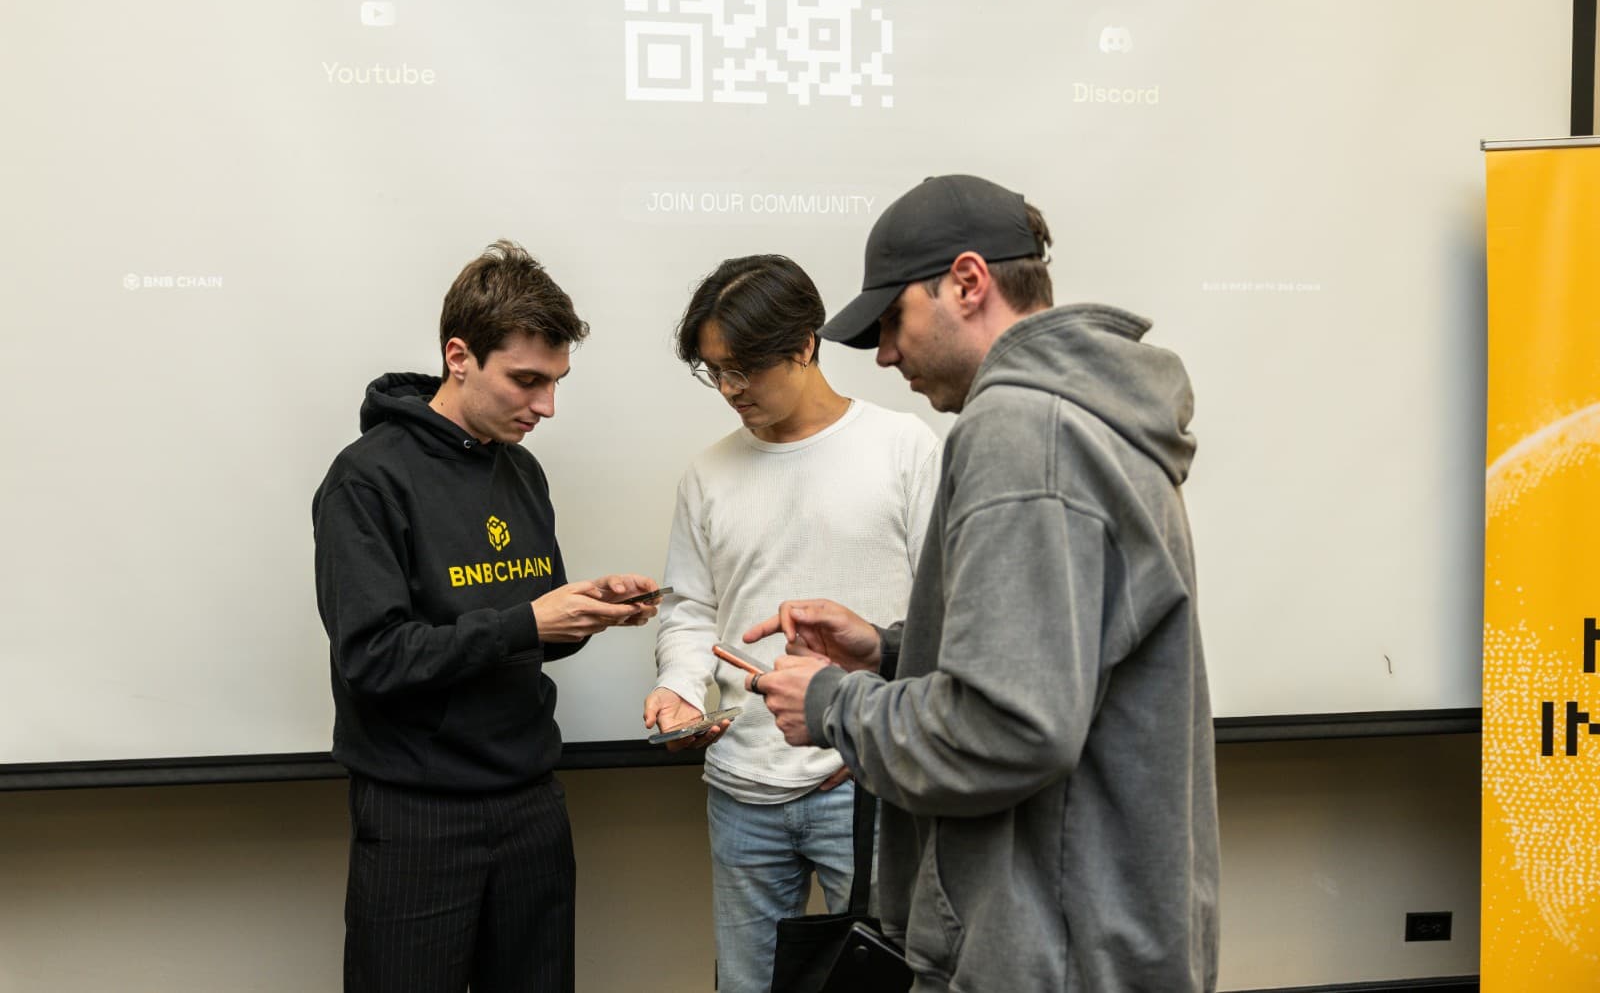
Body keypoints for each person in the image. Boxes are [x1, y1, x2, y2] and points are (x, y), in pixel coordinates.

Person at [743, 176, 1221, 991]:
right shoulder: (1086, 413)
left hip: (1048, 955)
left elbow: (1010, 726)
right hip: (1099, 938)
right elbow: (1063, 659)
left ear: (968, 282)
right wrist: (894, 652)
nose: (886, 354)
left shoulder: (1021, 429)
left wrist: (830, 702)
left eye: (893, 320)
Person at [312, 239, 660, 993]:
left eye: (557, 382)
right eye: (527, 380)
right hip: (418, 813)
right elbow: (373, 660)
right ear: (459, 355)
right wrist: (528, 623)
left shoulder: (521, 468)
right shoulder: (367, 479)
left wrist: (586, 611)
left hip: (533, 801)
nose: (546, 407)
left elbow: (528, 632)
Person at [641, 254, 939, 992]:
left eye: (744, 368)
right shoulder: (708, 473)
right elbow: (690, 609)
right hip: (741, 789)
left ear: (805, 345)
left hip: (869, 785)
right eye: (716, 371)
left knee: (891, 983)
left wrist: (864, 708)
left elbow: (946, 617)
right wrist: (682, 687)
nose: (731, 390)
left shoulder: (904, 449)